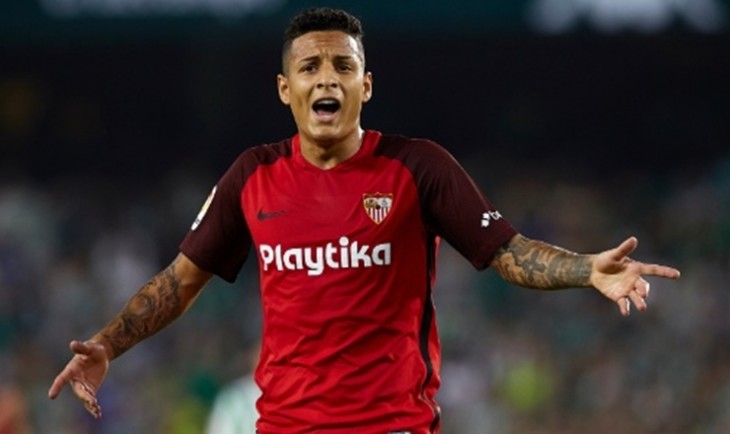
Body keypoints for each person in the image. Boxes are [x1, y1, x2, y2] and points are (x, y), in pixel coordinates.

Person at [48, 7, 681, 433]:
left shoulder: (418, 167)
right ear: (285, 89)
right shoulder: (253, 175)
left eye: (343, 66)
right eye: (310, 67)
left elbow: (507, 252)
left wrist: (585, 269)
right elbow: (180, 282)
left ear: (366, 85)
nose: (327, 79)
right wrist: (107, 345)